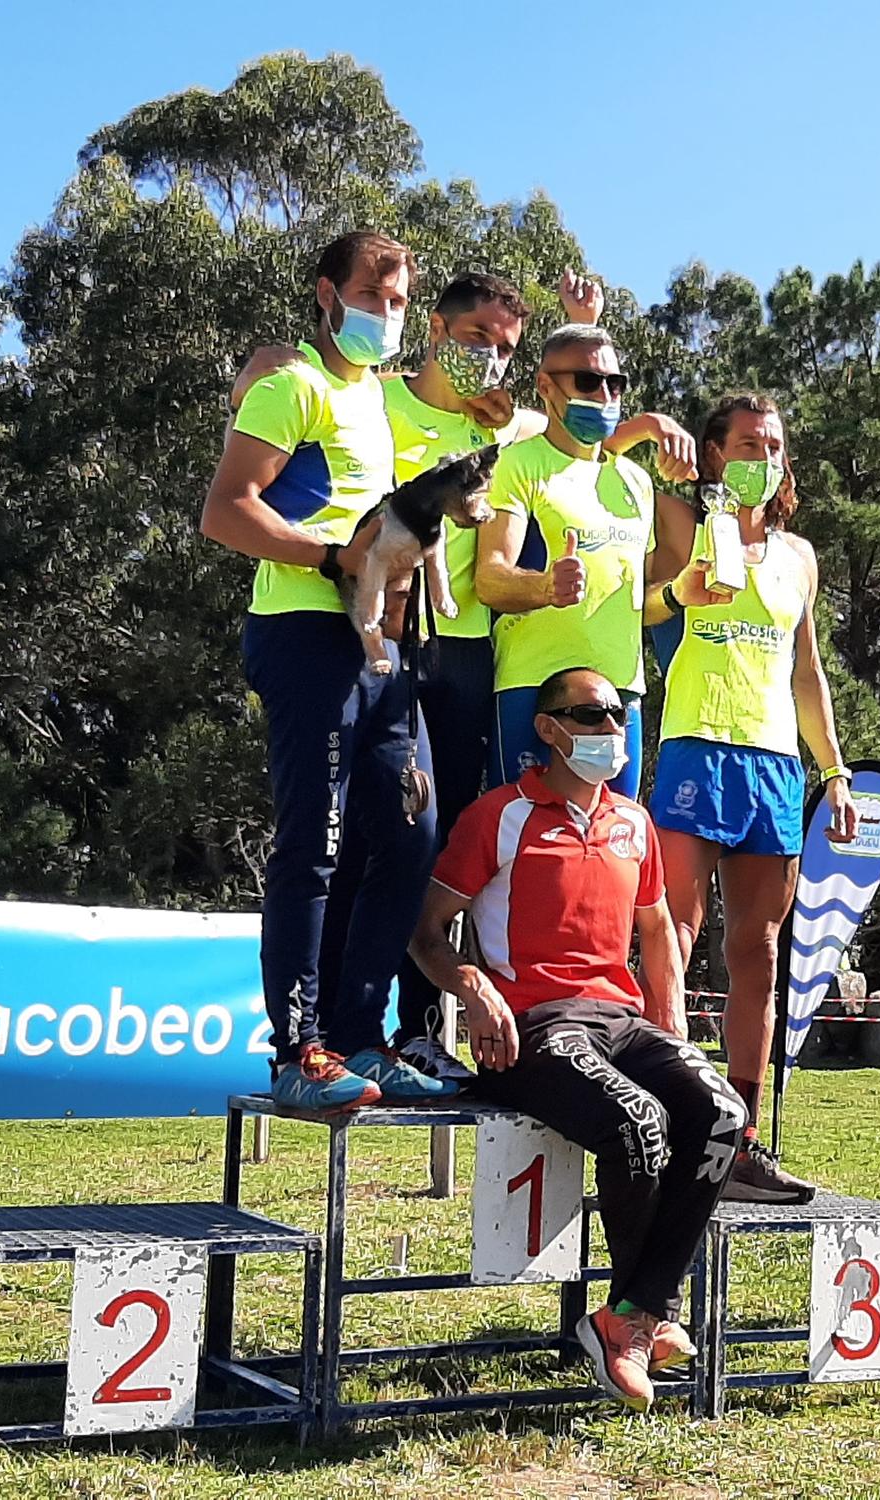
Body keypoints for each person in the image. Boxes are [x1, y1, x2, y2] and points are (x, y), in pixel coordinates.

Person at [230, 275, 690, 1087]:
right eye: (476, 336)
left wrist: (589, 338)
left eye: (504, 347)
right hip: (363, 635)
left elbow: (576, 443)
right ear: (435, 329)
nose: (489, 357)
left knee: (427, 843)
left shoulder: (509, 426)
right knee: (349, 836)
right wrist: (263, 361)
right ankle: (323, 1034)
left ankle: (410, 1030)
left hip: (466, 648)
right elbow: (295, 393)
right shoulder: (378, 401)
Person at [408, 666, 747, 1412]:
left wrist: (675, 1027)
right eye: (590, 715)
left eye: (619, 716)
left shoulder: (635, 822)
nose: (609, 731)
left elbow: (658, 933)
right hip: (532, 1028)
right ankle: (636, 1320)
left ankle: (631, 1314)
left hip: (621, 1020)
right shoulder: (497, 815)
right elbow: (426, 934)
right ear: (548, 728)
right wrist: (472, 989)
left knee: (721, 1113)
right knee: (638, 1122)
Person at [201, 229, 448, 1113]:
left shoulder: (379, 398)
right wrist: (334, 559)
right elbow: (226, 513)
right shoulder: (288, 385)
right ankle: (295, 1051)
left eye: (399, 301)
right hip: (305, 634)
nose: (389, 314)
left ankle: (358, 1036)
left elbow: (473, 401)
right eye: (375, 296)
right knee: (314, 845)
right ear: (327, 293)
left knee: (412, 834)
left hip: (383, 647)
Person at [643, 393, 855, 1203]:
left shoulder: (799, 555)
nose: (760, 457)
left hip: (773, 765)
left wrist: (832, 771)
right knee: (674, 935)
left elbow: (807, 673)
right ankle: (664, 1117)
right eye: (744, 444)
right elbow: (639, 592)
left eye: (772, 445)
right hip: (697, 744)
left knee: (758, 955)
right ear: (712, 452)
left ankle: (740, 1140)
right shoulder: (679, 520)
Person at [474, 324, 703, 797]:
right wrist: (544, 588)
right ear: (545, 386)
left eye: (615, 384)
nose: (604, 394)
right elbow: (490, 578)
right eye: (587, 381)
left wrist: (680, 594)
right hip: (533, 688)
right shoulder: (519, 463)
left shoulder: (636, 481)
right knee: (519, 844)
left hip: (620, 695)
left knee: (612, 849)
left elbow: (641, 605)